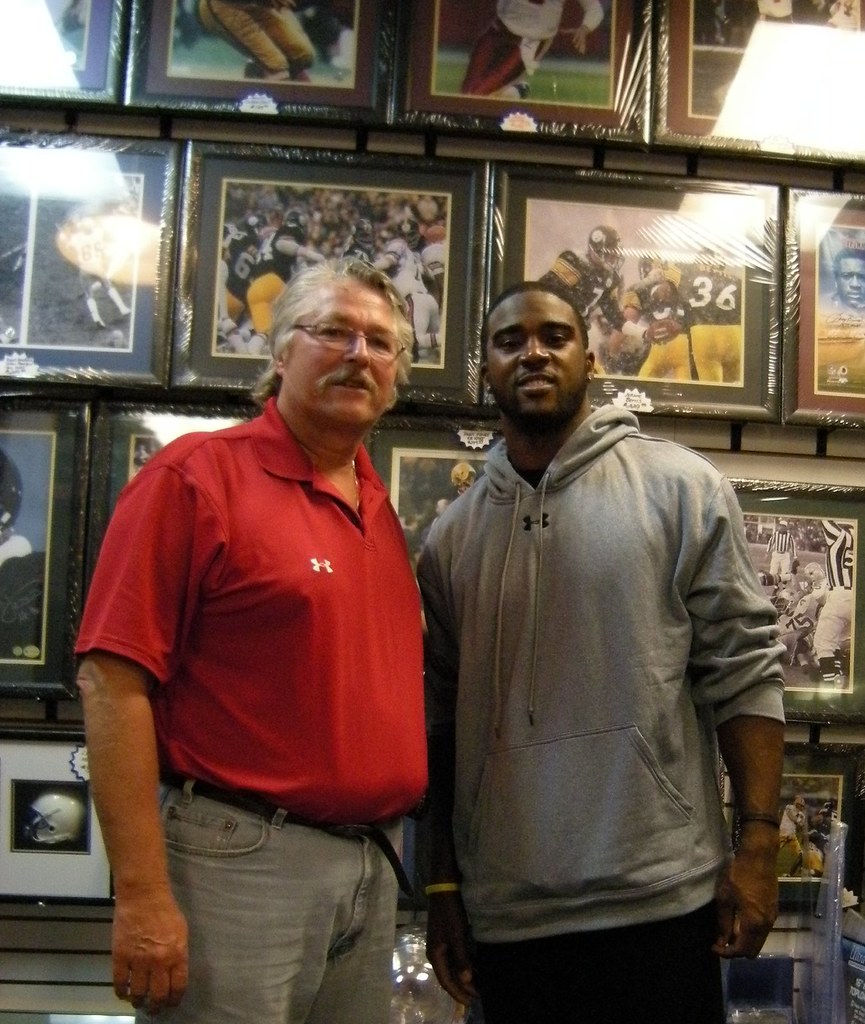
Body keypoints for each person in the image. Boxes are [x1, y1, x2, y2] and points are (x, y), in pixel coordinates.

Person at [416, 279, 786, 1024]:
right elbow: (440, 724)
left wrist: (757, 847)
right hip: (508, 915)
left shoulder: (680, 489)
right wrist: (442, 888)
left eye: (554, 337)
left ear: (590, 357)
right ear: (482, 367)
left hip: (661, 901)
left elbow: (743, 671)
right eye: (509, 340)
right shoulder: (449, 540)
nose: (533, 353)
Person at [74, 258, 428, 1024]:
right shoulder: (194, 479)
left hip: (368, 865)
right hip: (238, 860)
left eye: (378, 342)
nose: (357, 354)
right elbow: (111, 683)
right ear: (277, 354)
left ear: (396, 375)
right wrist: (140, 896)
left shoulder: (378, 507)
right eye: (333, 331)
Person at [461, 0, 605, 99]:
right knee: (465, 94)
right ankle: (513, 91)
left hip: (527, 43)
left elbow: (594, 8)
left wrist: (585, 28)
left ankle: (512, 91)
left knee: (475, 96)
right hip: (497, 30)